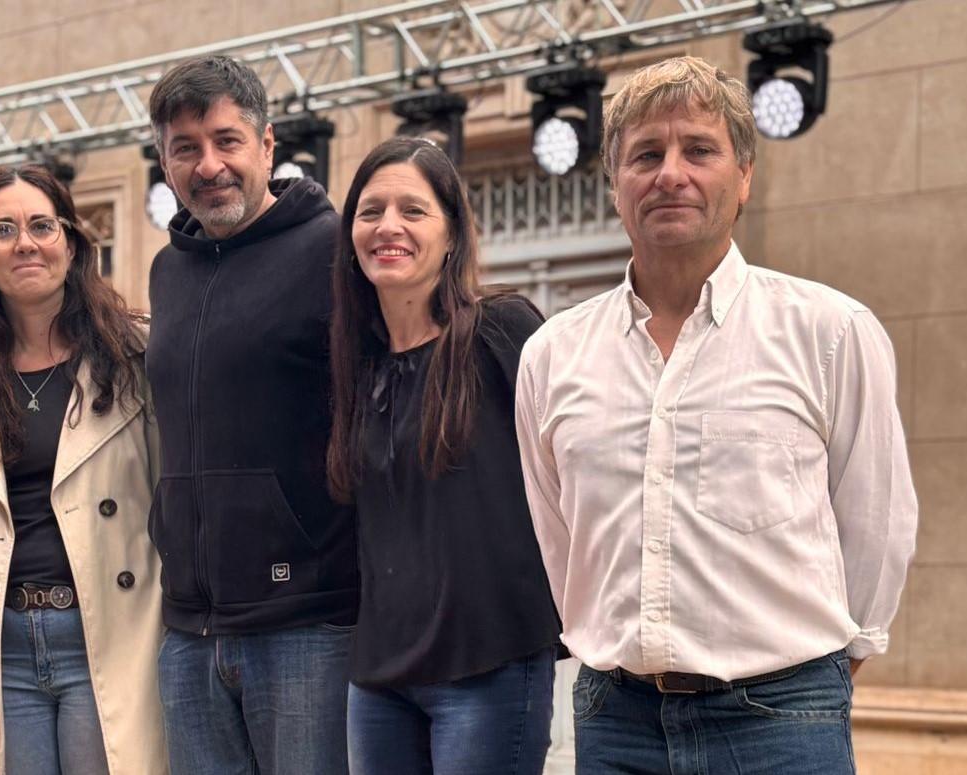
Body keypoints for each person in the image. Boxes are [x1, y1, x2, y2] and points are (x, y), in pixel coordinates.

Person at [514, 56, 918, 774]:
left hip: (782, 721)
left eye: (699, 149)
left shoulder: (830, 331)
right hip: (615, 721)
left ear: (745, 176)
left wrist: (827, 665)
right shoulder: (552, 354)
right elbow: (560, 539)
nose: (671, 174)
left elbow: (876, 524)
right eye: (646, 155)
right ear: (614, 185)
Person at [0, 165, 167, 775]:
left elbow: (173, 503)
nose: (25, 243)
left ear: (71, 241)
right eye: (3, 229)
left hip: (112, 637)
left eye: (42, 225)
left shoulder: (135, 358)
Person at [145, 55, 357, 775]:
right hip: (187, 632)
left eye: (226, 140)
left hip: (307, 626)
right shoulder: (167, 270)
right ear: (165, 163)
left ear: (267, 145)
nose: (208, 166)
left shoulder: (333, 250)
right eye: (185, 148)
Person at [326, 136, 561, 775]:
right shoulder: (355, 365)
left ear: (452, 233)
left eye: (413, 210)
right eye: (370, 211)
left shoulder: (503, 331)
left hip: (489, 664)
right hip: (379, 677)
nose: (388, 226)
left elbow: (575, 473)